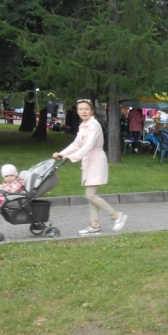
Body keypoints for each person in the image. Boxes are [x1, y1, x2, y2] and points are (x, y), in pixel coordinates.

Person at [53, 100, 127, 236]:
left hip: (96, 161)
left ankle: (116, 215)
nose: (84, 111)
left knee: (90, 194)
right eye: (81, 109)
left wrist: (73, 157)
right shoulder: (83, 126)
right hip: (89, 161)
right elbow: (76, 144)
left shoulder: (94, 126)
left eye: (86, 109)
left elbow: (89, 146)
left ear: (92, 111)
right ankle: (94, 225)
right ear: (77, 111)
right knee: (91, 195)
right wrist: (62, 153)